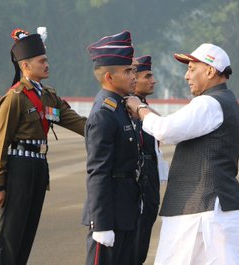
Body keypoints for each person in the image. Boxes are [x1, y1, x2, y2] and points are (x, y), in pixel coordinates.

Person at [126, 43, 239, 265]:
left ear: (210, 71)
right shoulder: (221, 101)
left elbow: (165, 130)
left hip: (201, 210)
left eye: (192, 69)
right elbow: (172, 125)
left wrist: (138, 107)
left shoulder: (208, 103)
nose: (186, 76)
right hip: (211, 209)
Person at [0, 28, 86, 265]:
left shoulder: (49, 96)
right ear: (25, 65)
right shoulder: (15, 98)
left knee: (27, 232)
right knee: (10, 235)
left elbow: (79, 123)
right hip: (19, 169)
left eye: (46, 60)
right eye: (41, 60)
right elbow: (2, 143)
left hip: (39, 168)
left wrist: (107, 128)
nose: (47, 64)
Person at [82, 32, 141, 265]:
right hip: (110, 215)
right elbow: (98, 172)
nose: (133, 75)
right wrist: (102, 223)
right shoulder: (104, 114)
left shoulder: (121, 107)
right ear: (109, 76)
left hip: (125, 210)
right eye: (127, 71)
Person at [130, 55, 161, 265]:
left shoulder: (144, 108)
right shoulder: (129, 109)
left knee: (142, 240)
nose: (153, 80)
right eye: (147, 75)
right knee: (135, 242)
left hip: (150, 175)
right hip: (138, 178)